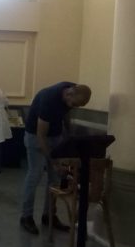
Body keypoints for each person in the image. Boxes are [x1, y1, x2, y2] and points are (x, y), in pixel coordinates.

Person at [19, 82, 91, 235]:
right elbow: (41, 135)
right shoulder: (48, 100)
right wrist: (54, 162)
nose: (74, 107)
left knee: (55, 179)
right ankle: (26, 216)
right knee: (35, 174)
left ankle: (49, 216)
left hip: (55, 135)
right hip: (35, 136)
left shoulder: (71, 90)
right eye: (74, 104)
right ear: (69, 94)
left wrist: (69, 134)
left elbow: (66, 113)